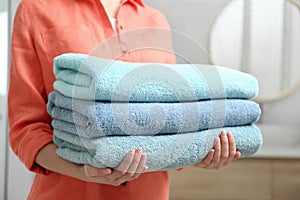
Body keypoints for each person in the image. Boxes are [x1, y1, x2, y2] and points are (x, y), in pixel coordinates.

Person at [8, 0, 241, 199]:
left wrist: (199, 150)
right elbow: (26, 128)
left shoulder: (156, 20)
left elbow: (171, 116)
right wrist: (82, 169)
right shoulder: (36, 10)